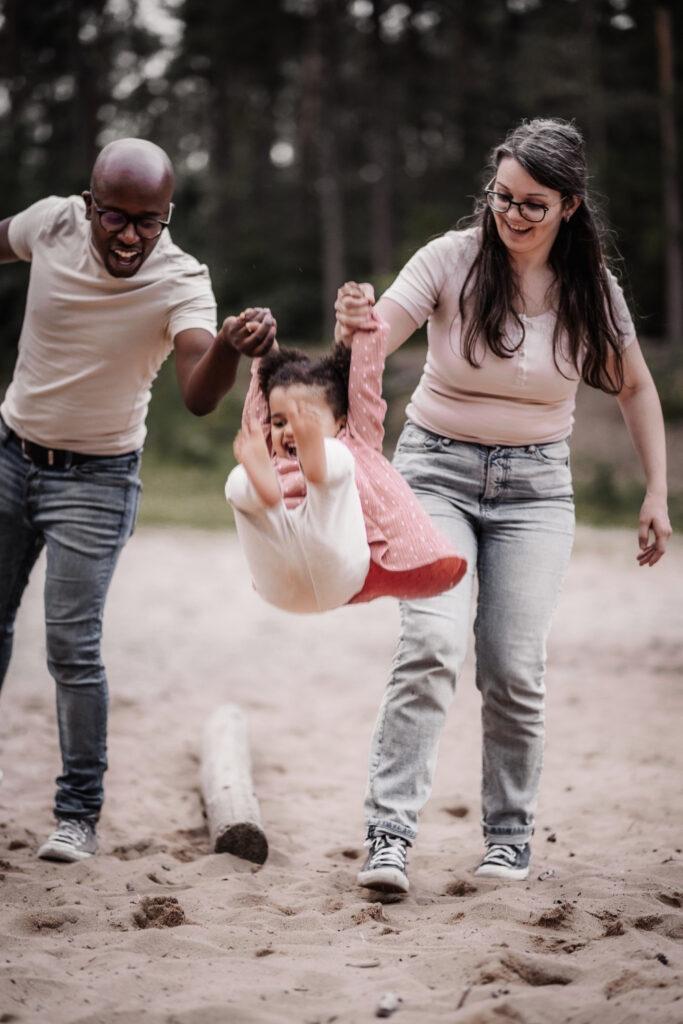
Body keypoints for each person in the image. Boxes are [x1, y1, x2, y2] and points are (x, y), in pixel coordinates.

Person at [335, 117, 671, 894]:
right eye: (501, 197)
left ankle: (507, 840)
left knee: (514, 668)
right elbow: (381, 333)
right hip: (435, 474)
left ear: (570, 208)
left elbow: (632, 385)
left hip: (535, 492)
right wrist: (358, 327)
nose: (511, 217)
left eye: (532, 205)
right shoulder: (450, 259)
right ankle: (388, 837)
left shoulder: (589, 289)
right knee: (430, 646)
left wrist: (655, 490)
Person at [0, 138, 276, 862]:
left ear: (166, 215)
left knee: (71, 645)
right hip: (10, 455)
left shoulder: (181, 279)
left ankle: (76, 815)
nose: (129, 235)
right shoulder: (52, 224)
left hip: (96, 482)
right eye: (114, 217)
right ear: (89, 205)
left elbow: (196, 395)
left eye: (147, 221)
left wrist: (226, 347)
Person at [225, 301, 467, 613]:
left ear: (341, 421)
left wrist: (364, 325)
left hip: (337, 567)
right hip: (279, 578)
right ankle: (267, 494)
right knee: (239, 479)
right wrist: (264, 347)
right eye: (280, 422)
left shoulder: (355, 438)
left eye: (304, 418)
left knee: (338, 459)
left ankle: (313, 469)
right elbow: (260, 403)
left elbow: (365, 379)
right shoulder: (269, 453)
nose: (286, 431)